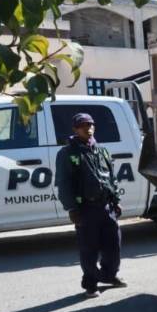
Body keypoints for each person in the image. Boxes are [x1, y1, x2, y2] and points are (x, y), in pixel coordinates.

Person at [55, 113, 126, 299]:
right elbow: (63, 184)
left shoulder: (102, 151)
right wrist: (72, 208)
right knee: (89, 249)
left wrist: (116, 200)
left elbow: (112, 177)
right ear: (75, 129)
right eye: (83, 125)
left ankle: (110, 276)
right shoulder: (67, 153)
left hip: (106, 207)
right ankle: (90, 284)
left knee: (113, 246)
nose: (88, 128)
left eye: (91, 124)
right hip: (85, 209)